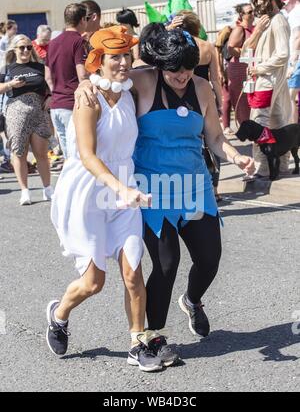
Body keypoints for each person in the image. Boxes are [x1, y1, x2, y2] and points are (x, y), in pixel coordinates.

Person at [76, 23, 255, 363]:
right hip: (153, 191)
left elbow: (215, 138)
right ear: (160, 64)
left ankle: (192, 300)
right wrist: (84, 83)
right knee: (166, 263)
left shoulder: (201, 88)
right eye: (175, 70)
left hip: (195, 188)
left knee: (209, 261)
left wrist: (235, 156)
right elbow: (107, 82)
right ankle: (153, 335)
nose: (182, 75)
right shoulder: (142, 81)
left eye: (188, 68)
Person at [46, 26, 162, 372]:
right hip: (89, 192)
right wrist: (121, 188)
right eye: (115, 56)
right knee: (94, 283)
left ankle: (137, 343)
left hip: (124, 191)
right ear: (99, 60)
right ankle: (59, 313)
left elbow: (169, 67)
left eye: (127, 55)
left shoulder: (131, 90)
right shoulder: (88, 98)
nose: (124, 62)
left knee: (133, 273)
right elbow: (87, 155)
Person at [168, 10, 223, 202]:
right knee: (213, 141)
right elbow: (216, 79)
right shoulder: (207, 46)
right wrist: (220, 104)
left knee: (190, 142)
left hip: (181, 97)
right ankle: (214, 188)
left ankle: (193, 185)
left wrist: (167, 30)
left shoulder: (173, 46)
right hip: (206, 96)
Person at [0, 35, 53, 205]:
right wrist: (10, 85)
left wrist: (51, 97)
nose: (25, 51)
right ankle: (25, 191)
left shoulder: (40, 66)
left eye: (29, 47)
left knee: (41, 153)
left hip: (38, 111)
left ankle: (47, 189)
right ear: (14, 49)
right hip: (16, 112)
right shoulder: (7, 68)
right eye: (21, 47)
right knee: (19, 152)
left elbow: (51, 85)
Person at [243, 0, 292, 177]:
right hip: (265, 80)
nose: (258, 2)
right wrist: (257, 31)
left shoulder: (278, 20)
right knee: (279, 122)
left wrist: (260, 68)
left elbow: (283, 54)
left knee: (259, 123)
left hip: (267, 81)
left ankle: (262, 168)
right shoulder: (266, 20)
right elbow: (245, 50)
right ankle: (281, 166)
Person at [45, 3, 89, 159]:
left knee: (69, 159)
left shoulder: (52, 43)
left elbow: (48, 77)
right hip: (72, 105)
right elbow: (82, 75)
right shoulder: (78, 42)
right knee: (79, 157)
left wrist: (57, 94)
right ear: (83, 19)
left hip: (56, 106)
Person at [227, 3, 255, 125]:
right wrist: (247, 53)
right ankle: (246, 128)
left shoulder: (255, 28)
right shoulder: (239, 29)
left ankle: (254, 128)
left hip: (251, 67)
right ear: (241, 15)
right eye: (249, 12)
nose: (252, 14)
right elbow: (231, 48)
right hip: (239, 69)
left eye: (253, 11)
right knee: (243, 102)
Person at [283, 0, 300, 123]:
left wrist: (292, 64)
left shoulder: (296, 12)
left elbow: (297, 37)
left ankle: (293, 136)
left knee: (290, 97)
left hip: (296, 61)